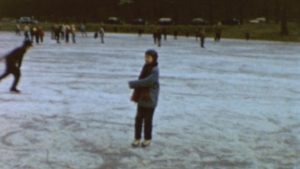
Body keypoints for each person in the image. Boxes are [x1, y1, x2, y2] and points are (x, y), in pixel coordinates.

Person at [129, 49, 160, 148]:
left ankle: (147, 139)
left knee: (148, 120)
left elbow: (148, 81)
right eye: (145, 57)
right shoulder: (145, 67)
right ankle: (137, 138)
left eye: (148, 57)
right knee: (138, 119)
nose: (146, 59)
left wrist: (134, 84)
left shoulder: (155, 70)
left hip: (150, 99)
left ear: (154, 58)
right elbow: (143, 80)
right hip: (142, 98)